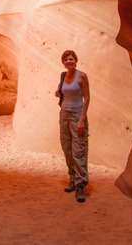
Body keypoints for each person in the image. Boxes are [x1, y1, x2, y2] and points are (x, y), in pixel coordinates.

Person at [55, 50, 90, 202]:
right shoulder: (63, 76)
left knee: (79, 149)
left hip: (77, 115)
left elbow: (87, 97)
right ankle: (72, 179)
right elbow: (61, 89)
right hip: (64, 114)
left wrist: (82, 119)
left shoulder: (82, 76)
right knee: (67, 147)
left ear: (76, 60)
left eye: (71, 59)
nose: (68, 62)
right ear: (63, 62)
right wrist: (58, 92)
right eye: (66, 60)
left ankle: (81, 184)